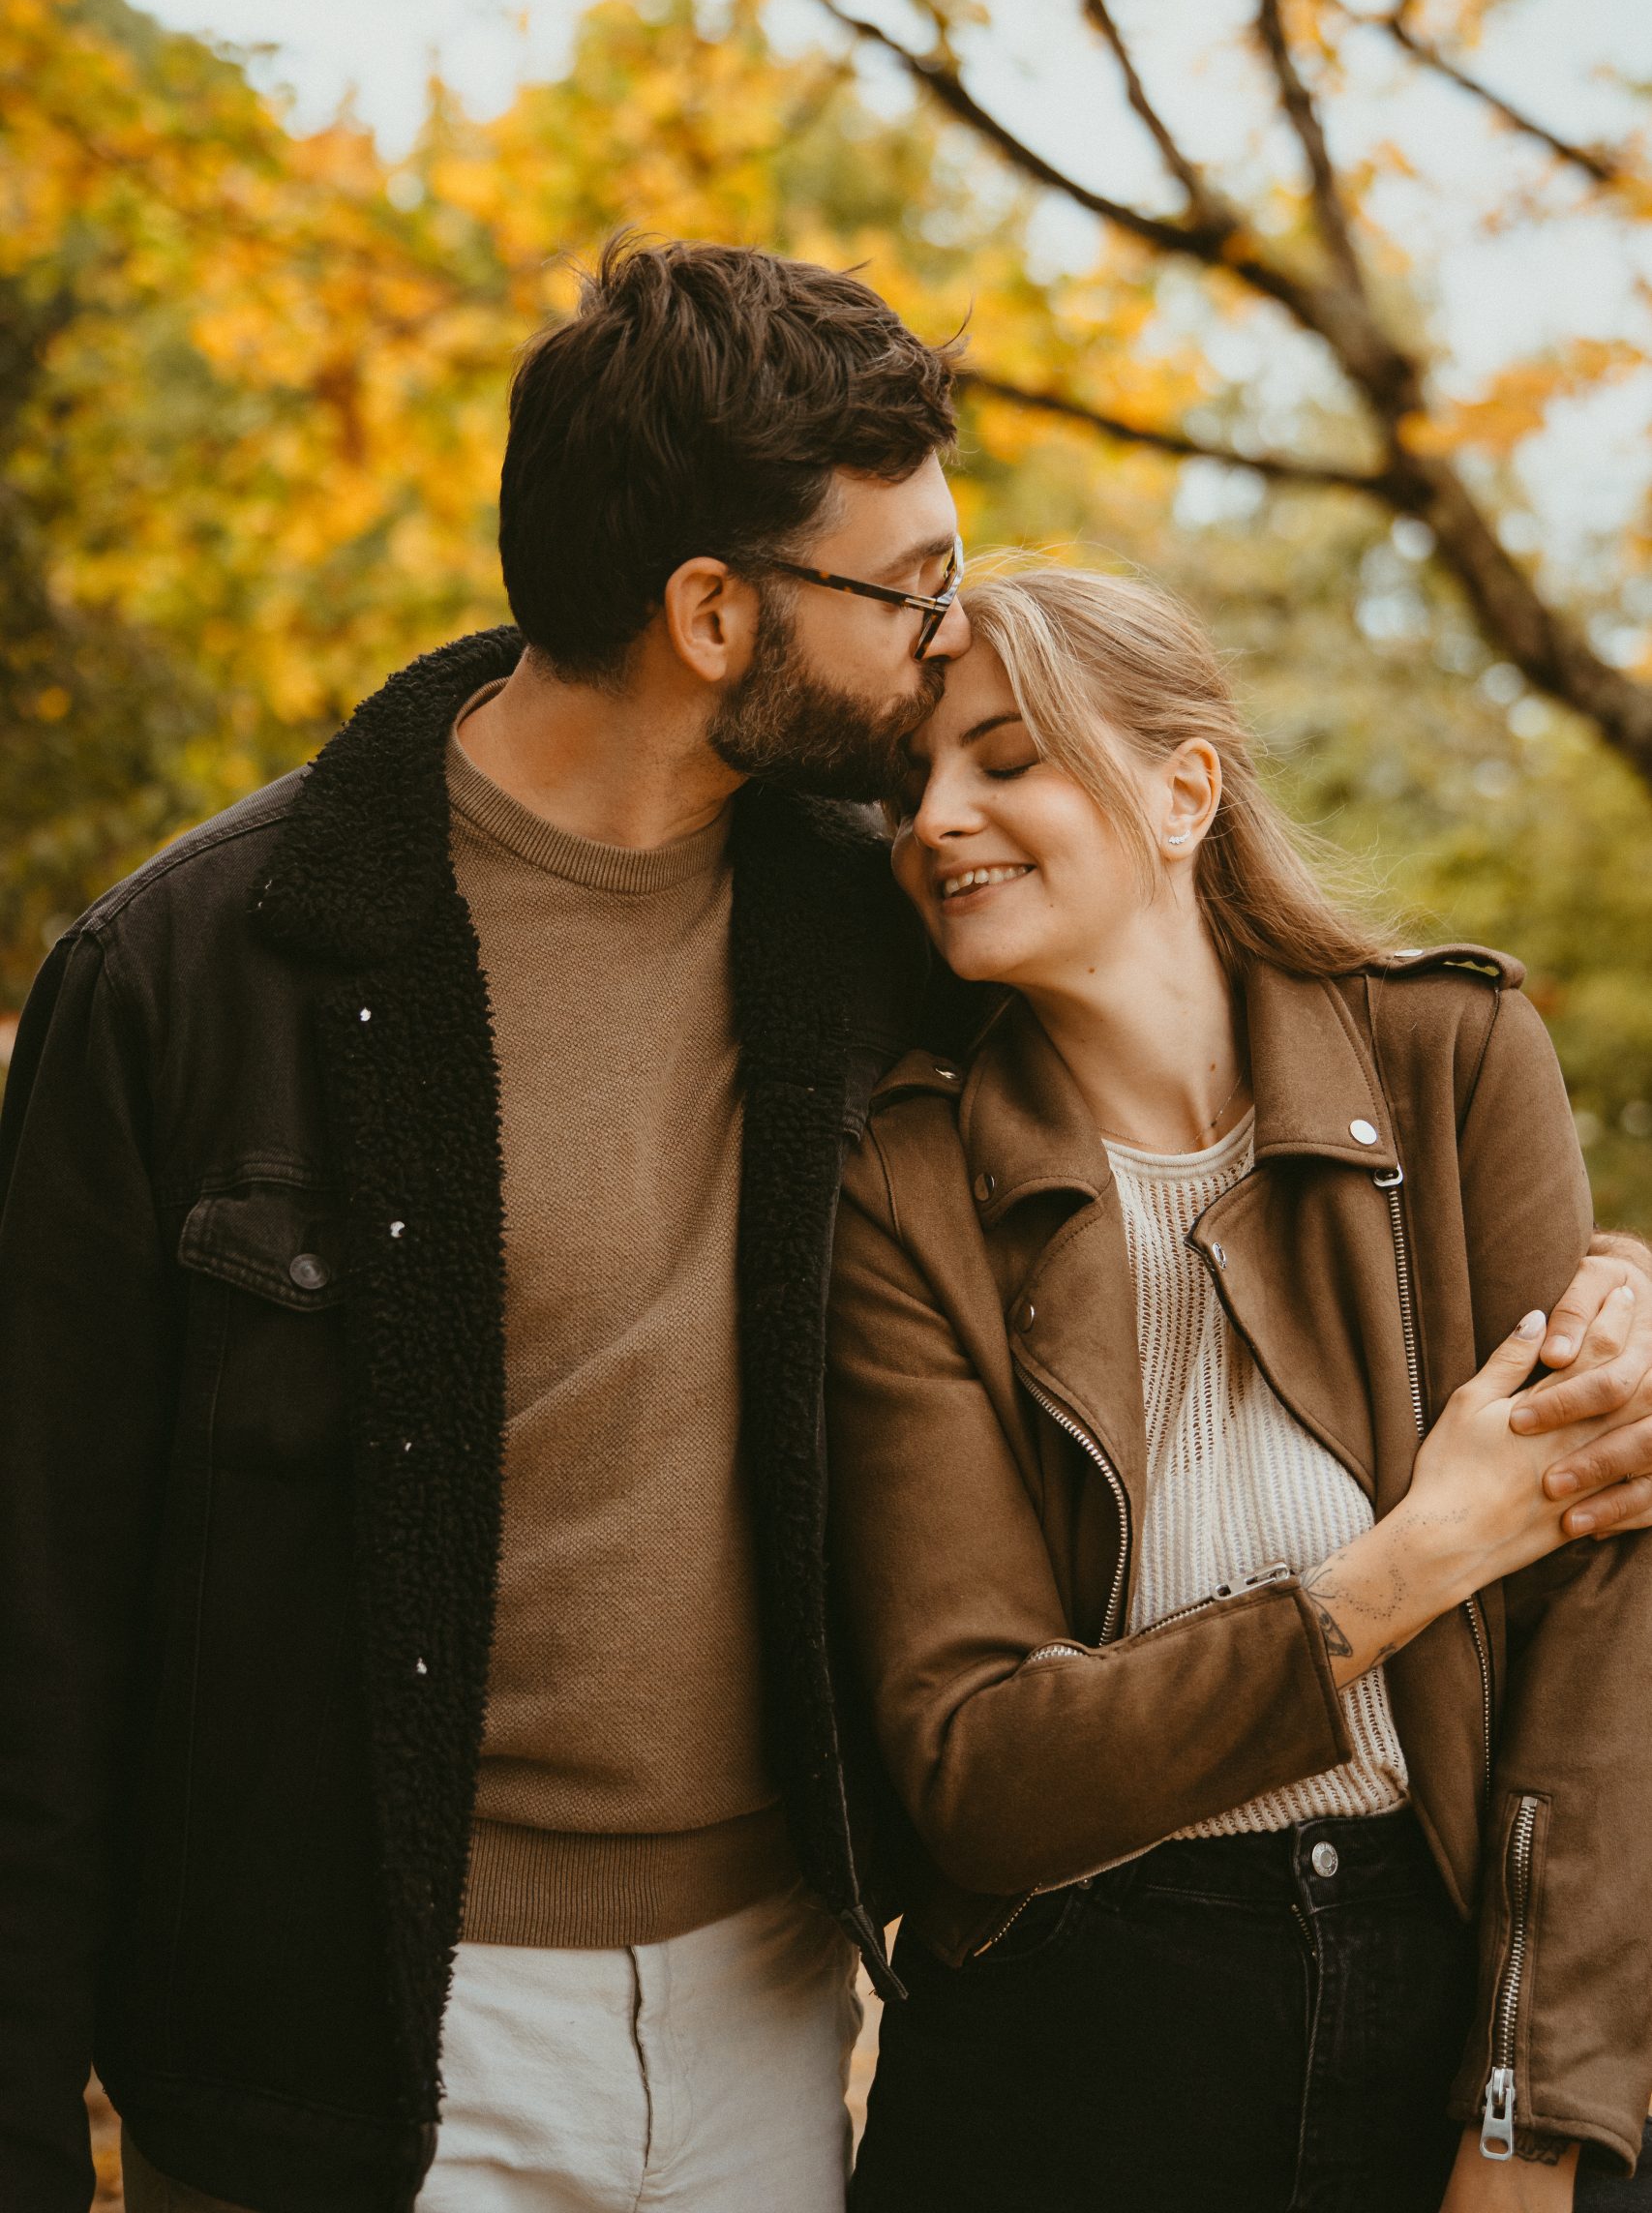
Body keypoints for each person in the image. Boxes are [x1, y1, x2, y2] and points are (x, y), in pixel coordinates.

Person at [1, 250, 1648, 2213]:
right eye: (912, 588)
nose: (944, 645)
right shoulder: (202, 969)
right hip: (341, 2030)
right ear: (714, 613)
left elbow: (1211, 1035)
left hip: (766, 2012)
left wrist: (1611, 1296)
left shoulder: (866, 922)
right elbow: (43, 1612)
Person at [826, 566, 1652, 2213]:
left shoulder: (1451, 1059)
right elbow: (980, 1771)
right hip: (1067, 2032)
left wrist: (1527, 2114)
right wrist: (1411, 1561)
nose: (935, 820)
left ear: (1184, 792)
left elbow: (1600, 1605)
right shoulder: (901, 1186)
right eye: (910, 781)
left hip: (1449, 1987)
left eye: (1006, 757)